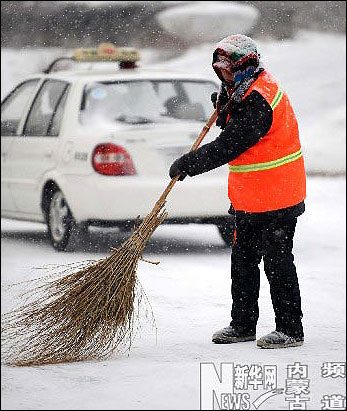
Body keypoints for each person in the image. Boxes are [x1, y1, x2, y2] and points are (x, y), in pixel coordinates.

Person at [169, 34, 306, 349]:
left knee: (277, 260)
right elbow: (234, 132)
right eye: (220, 69)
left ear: (246, 66)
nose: (224, 74)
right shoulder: (240, 92)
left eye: (229, 69)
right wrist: (226, 103)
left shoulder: (259, 99)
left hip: (279, 195)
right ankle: (242, 325)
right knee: (243, 260)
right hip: (250, 197)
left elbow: (229, 146)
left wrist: (188, 163)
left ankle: (290, 329)